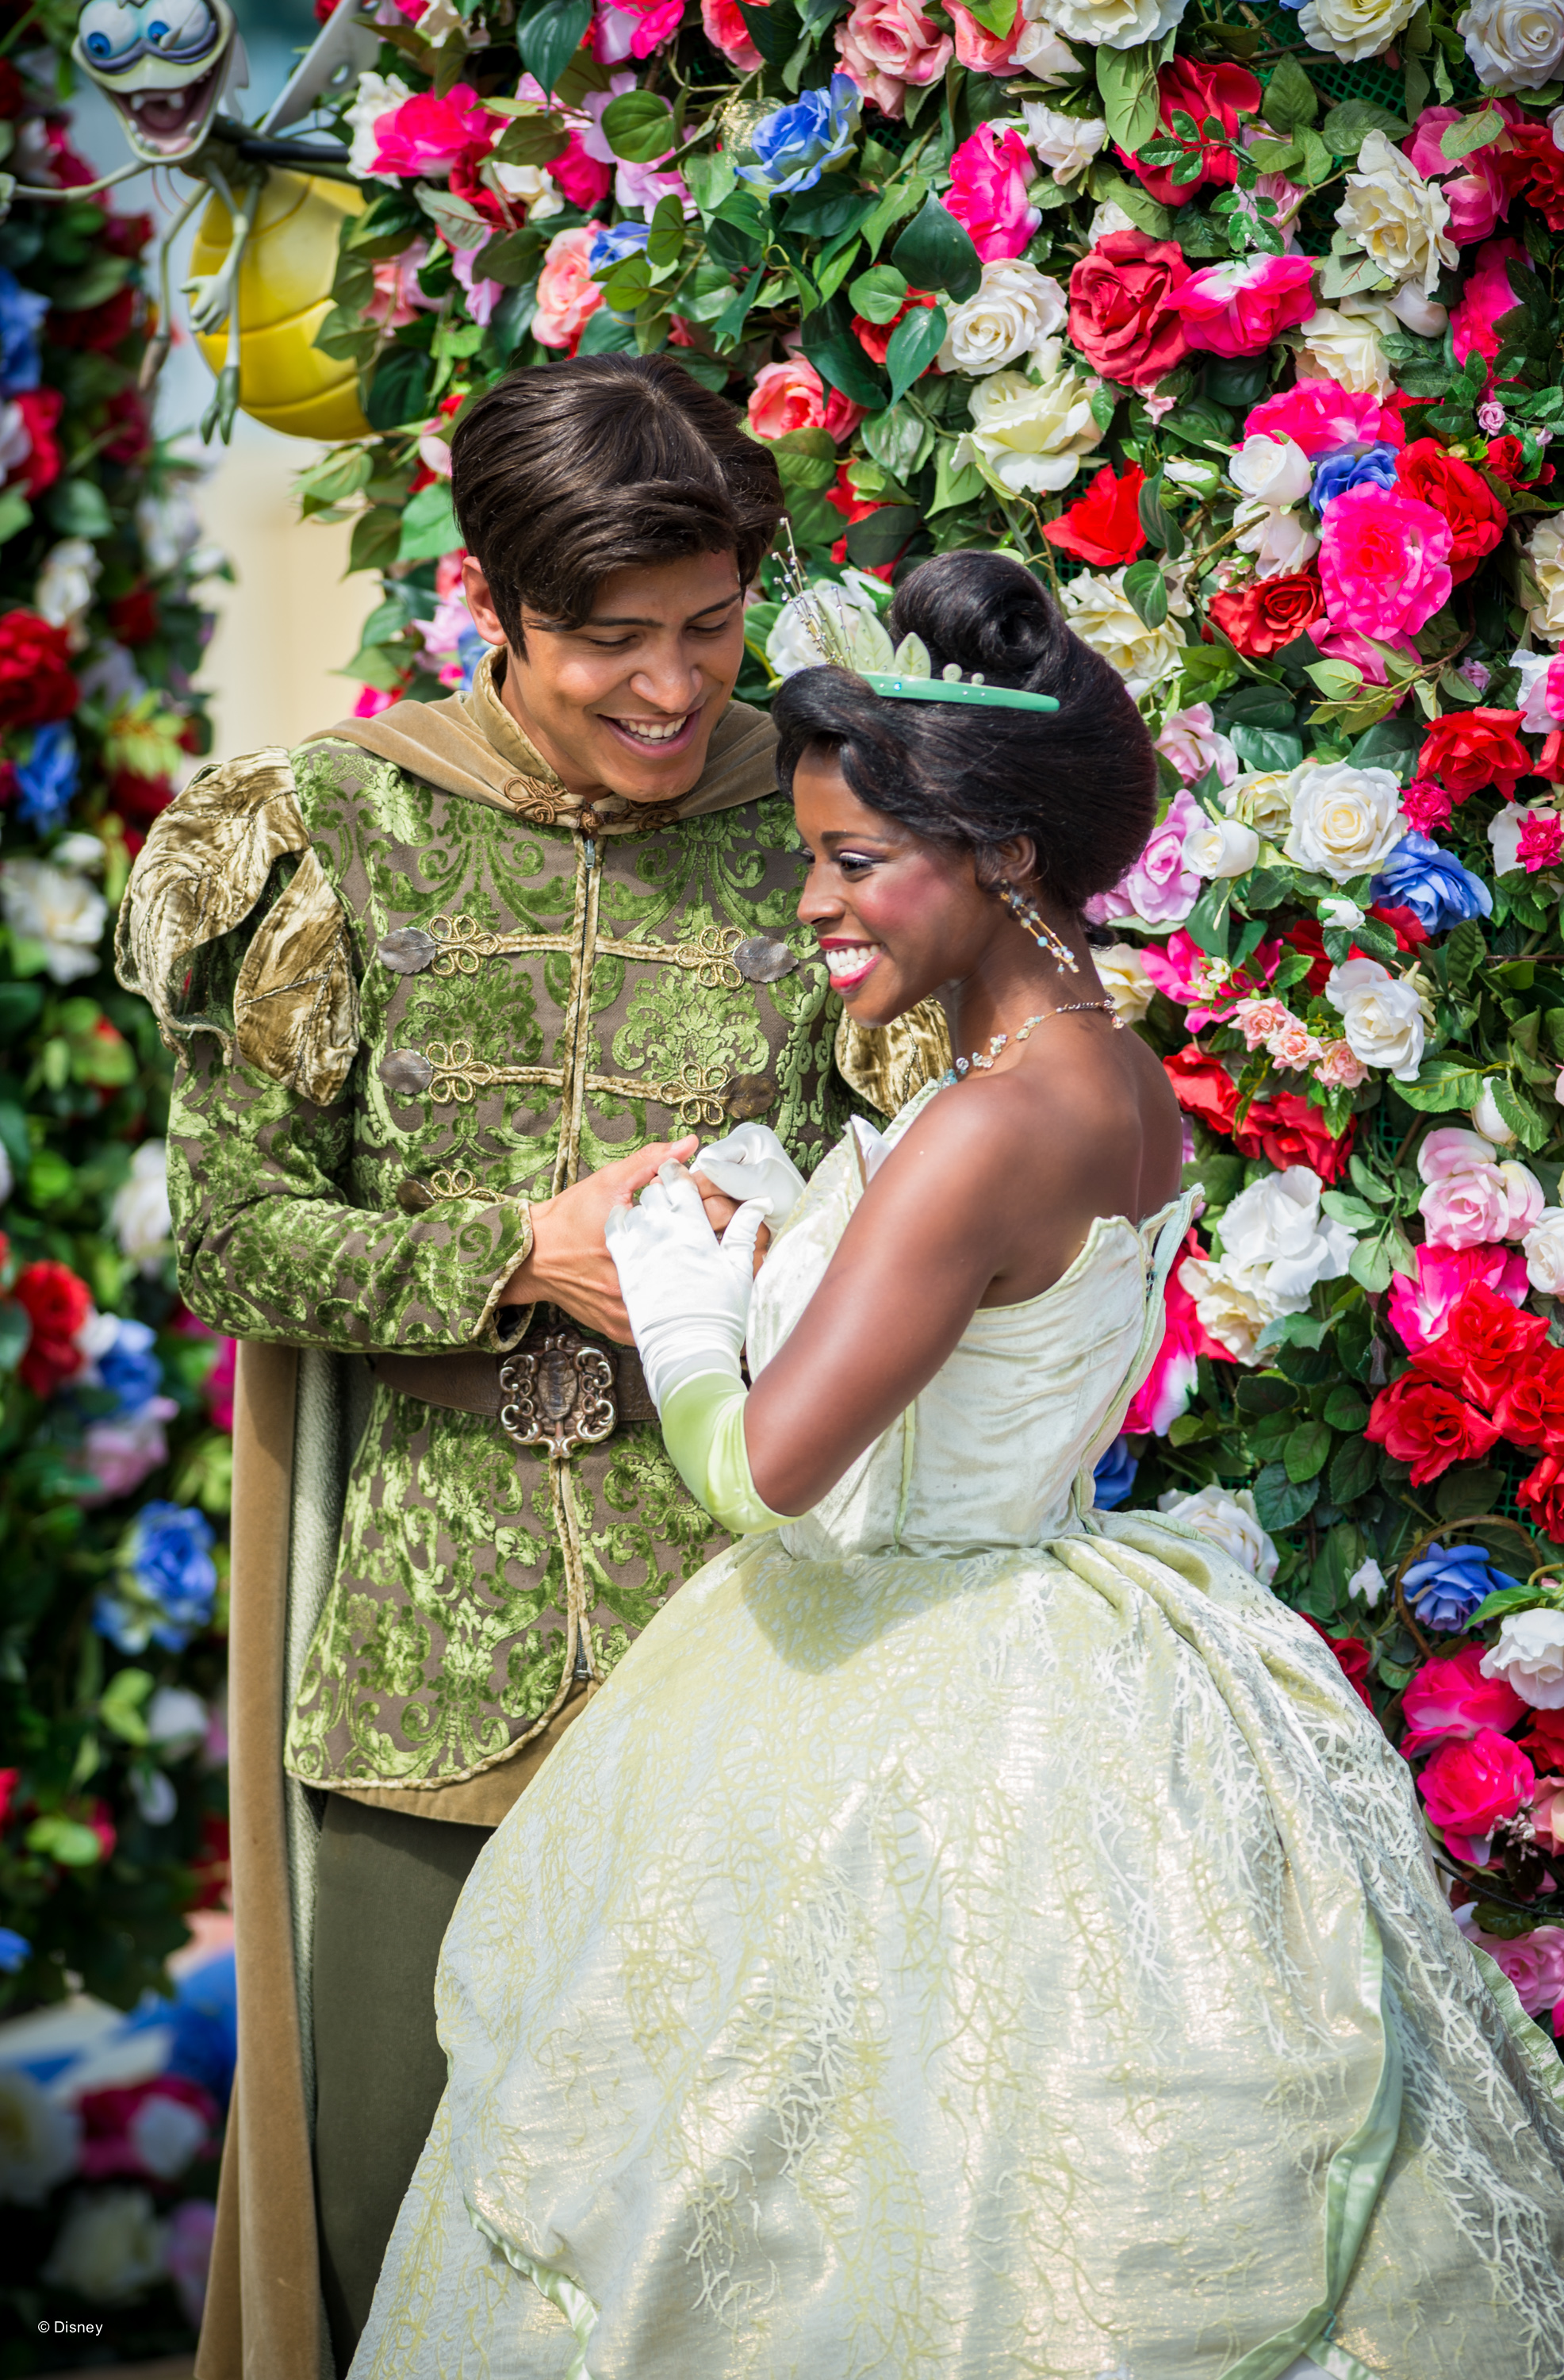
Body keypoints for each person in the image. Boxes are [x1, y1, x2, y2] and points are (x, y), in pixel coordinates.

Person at [352, 550, 1564, 2380]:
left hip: (913, 1693)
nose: (816, 901)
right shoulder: (1109, 1069)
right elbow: (977, 1334)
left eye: (856, 862)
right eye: (811, 854)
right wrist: (790, 1232)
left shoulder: (989, 1120)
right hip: (1057, 1641)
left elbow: (766, 1477)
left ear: (1004, 854)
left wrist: (682, 1297)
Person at [115, 355, 916, 2380]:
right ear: (491, 599)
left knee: (725, 2233)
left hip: (747, 1638)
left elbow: (932, 1189)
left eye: (711, 631)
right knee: (410, 2213)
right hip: (420, 1645)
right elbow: (224, 1235)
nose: (671, 688)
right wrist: (519, 1258)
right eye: (607, 642)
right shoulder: (328, 830)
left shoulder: (826, 831)